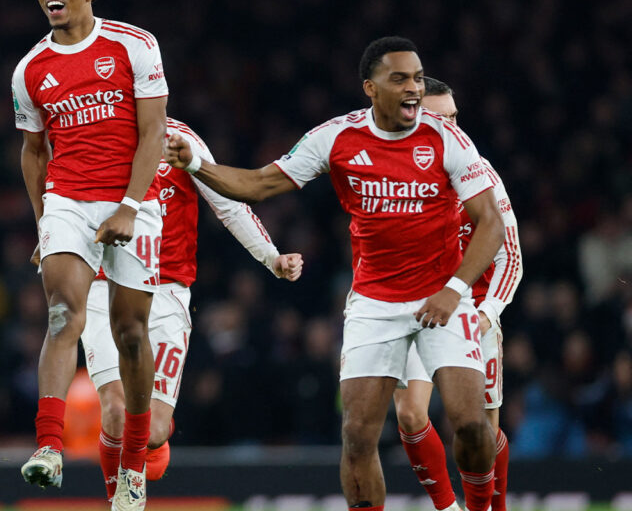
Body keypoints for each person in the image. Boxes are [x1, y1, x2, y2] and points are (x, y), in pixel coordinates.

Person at [165, 36, 505, 511]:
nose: (413, 88)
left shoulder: (448, 138)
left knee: (470, 424)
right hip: (374, 303)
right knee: (357, 435)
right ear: (371, 87)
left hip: (443, 295)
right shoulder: (337, 138)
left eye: (417, 78)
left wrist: (454, 289)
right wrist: (197, 163)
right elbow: (259, 184)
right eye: (400, 79)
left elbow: (491, 223)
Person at [76, 118, 303, 502]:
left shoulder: (180, 140)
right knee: (115, 409)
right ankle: (122, 503)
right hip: (103, 284)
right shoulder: (92, 132)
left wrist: (271, 257)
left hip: (166, 289)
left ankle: (156, 437)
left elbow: (228, 205)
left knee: (151, 431)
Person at [12, 0, 167, 511]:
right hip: (68, 200)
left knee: (130, 333)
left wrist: (128, 206)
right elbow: (34, 153)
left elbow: (154, 132)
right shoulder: (30, 69)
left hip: (134, 199)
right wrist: (43, 224)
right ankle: (49, 446)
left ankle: (133, 463)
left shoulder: (134, 44)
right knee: (63, 314)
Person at [393, 76, 523, 511]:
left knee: (479, 431)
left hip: (474, 312)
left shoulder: (480, 174)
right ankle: (448, 508)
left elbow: (510, 257)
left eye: (455, 117)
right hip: (417, 309)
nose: (454, 128)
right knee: (410, 414)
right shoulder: (392, 176)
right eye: (442, 118)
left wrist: (487, 314)